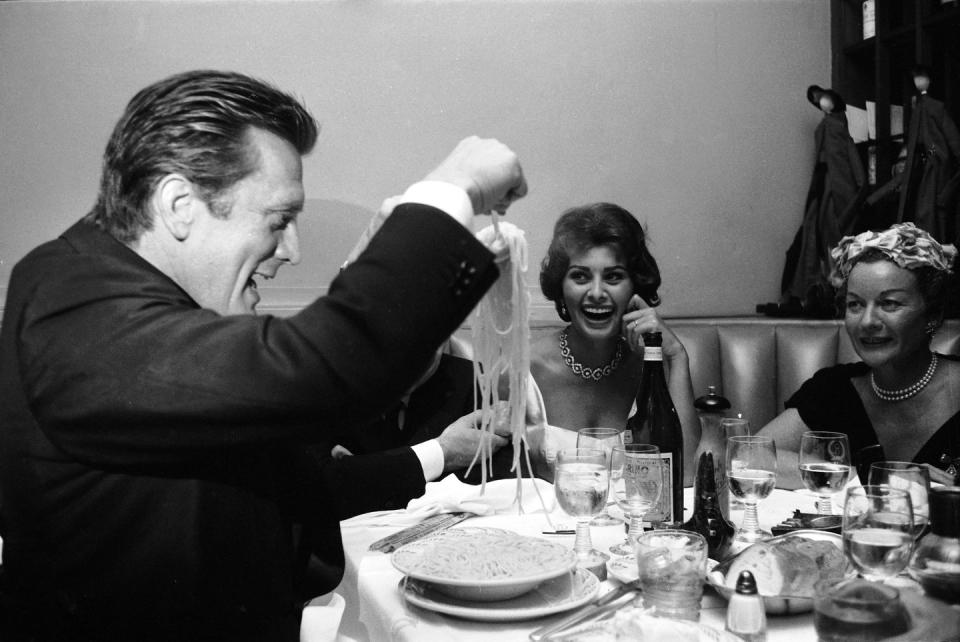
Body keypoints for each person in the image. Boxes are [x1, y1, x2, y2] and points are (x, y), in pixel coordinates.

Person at [0, 69, 527, 641]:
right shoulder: (74, 302)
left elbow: (287, 454)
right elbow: (319, 369)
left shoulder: (130, 302)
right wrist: (452, 190)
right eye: (279, 220)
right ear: (179, 203)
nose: (292, 251)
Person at [758, 223, 959, 488]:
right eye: (855, 304)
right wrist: (874, 479)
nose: (867, 322)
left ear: (932, 315)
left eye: (889, 304)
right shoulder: (835, 389)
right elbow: (752, 457)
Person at [525, 203, 699, 482]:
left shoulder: (653, 369)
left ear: (634, 288)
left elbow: (685, 475)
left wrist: (677, 357)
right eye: (580, 276)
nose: (596, 293)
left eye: (613, 277)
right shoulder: (525, 370)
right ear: (561, 287)